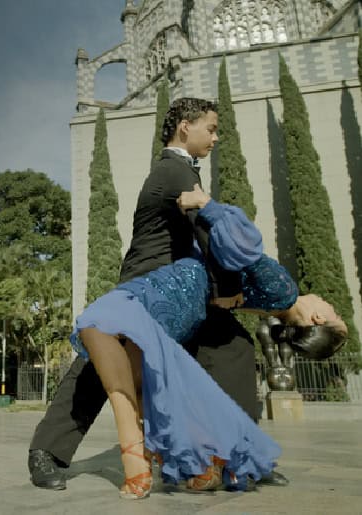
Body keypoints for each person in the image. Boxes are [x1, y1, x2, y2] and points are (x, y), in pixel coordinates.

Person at [28, 97, 268, 490]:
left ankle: (235, 458)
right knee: (99, 365)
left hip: (183, 287)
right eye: (211, 128)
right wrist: (228, 289)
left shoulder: (180, 170)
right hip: (150, 282)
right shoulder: (174, 170)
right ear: (185, 126)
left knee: (234, 347)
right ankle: (46, 451)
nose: (216, 138)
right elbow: (206, 229)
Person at [72, 187, 347, 499]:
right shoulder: (273, 307)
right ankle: (175, 459)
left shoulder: (284, 290)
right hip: (188, 303)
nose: (330, 305)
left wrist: (205, 204)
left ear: (318, 320)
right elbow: (228, 288)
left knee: (97, 323)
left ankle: (140, 452)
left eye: (335, 314)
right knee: (136, 368)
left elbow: (244, 250)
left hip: (181, 286)